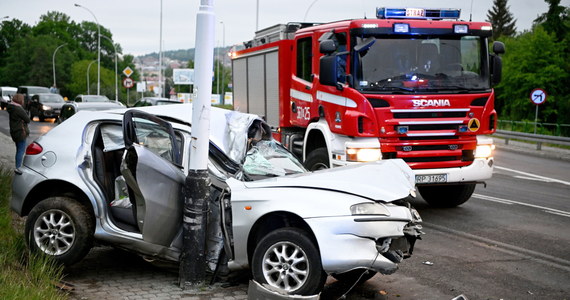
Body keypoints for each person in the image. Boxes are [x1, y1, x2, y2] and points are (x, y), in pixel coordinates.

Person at [7, 93, 30, 169]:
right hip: (21, 132)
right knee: (21, 151)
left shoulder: (12, 107)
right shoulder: (19, 109)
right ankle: (18, 168)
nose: (23, 101)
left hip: (14, 131)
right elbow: (27, 119)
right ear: (20, 100)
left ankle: (17, 166)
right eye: (23, 99)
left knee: (18, 150)